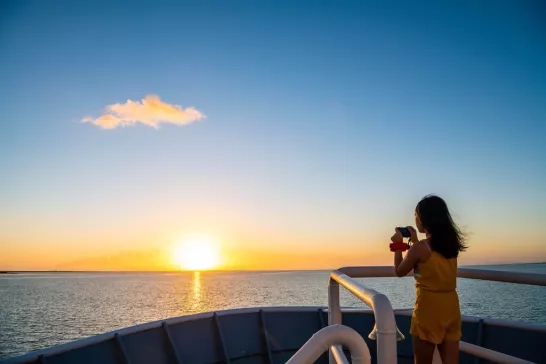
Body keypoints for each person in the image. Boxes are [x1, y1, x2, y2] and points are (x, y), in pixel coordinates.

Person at [390, 194, 468, 364]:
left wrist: (398, 245)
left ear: (425, 219)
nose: (416, 220)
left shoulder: (420, 248)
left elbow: (399, 271)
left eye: (416, 216)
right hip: (451, 308)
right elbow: (428, 262)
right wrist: (415, 241)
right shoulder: (451, 245)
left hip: (428, 311)